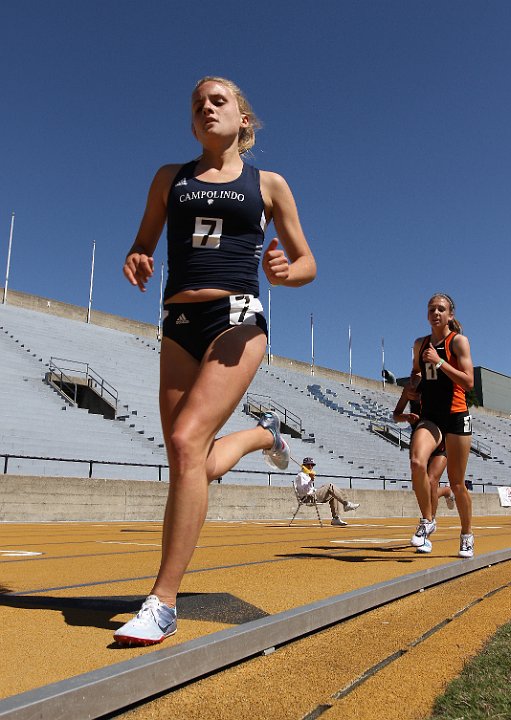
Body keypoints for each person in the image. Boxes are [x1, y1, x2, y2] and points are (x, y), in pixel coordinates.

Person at [115, 76, 316, 645]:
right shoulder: (168, 179)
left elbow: (307, 263)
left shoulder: (268, 184)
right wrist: (136, 259)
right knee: (191, 465)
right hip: (178, 322)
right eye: (198, 104)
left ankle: (162, 600)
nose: (206, 108)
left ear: (243, 120)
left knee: (184, 444)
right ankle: (260, 437)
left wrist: (286, 272)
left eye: (218, 101)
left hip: (238, 317)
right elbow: (142, 243)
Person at [407, 293, 474, 557]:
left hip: (456, 415)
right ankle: (427, 520)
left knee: (457, 483)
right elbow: (417, 373)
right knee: (416, 462)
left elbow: (468, 382)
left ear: (450, 315)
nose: (435, 312)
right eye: (431, 308)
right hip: (431, 415)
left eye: (441, 309)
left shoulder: (458, 342)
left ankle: (467, 534)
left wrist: (440, 362)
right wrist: (414, 385)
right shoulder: (420, 344)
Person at [393, 382, 455, 521]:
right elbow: (396, 415)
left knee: (432, 481)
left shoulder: (440, 382)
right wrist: (406, 417)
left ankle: (429, 522)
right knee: (420, 487)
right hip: (420, 441)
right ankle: (445, 491)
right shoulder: (411, 387)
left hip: (441, 439)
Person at [295, 457, 359, 526]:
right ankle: (346, 503)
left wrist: (312, 482)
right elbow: (304, 492)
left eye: (312, 465)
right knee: (330, 486)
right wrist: (311, 480)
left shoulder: (307, 475)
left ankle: (336, 518)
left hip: (312, 496)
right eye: (309, 465)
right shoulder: (300, 476)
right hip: (308, 498)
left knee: (333, 494)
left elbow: (310, 488)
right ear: (304, 465)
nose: (311, 466)